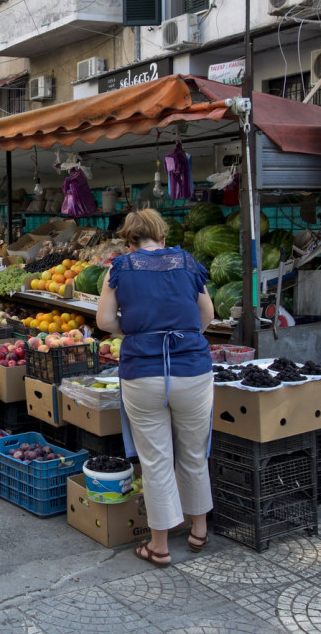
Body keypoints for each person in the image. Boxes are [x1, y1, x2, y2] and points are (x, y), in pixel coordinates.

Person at [96, 209, 215, 568]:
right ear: (162, 236)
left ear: (129, 240)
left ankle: (159, 546)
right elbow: (207, 313)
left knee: (156, 459)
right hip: (192, 368)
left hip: (143, 371)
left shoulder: (119, 268)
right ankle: (198, 531)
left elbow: (103, 321)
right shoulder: (187, 262)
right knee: (194, 452)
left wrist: (134, 332)